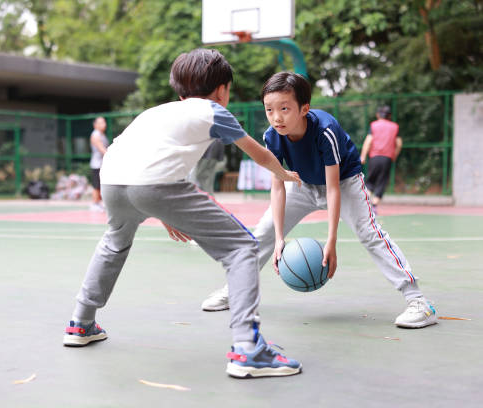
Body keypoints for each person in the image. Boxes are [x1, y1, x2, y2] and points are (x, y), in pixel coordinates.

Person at [63, 49, 304, 378]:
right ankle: (248, 349)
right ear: (222, 90)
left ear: (180, 92)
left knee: (114, 244)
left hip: (113, 181)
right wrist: (286, 174)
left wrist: (160, 210)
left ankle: (80, 322)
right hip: (152, 184)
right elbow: (259, 154)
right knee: (242, 247)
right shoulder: (214, 111)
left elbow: (143, 160)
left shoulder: (156, 112)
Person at [201, 72, 437, 330]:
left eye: (284, 108)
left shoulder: (325, 130)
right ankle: (235, 290)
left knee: (370, 233)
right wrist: (280, 237)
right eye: (269, 109)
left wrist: (331, 240)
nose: (276, 117)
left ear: (304, 108)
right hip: (301, 184)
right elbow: (277, 186)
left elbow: (333, 188)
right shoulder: (272, 136)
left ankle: (419, 302)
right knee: (264, 232)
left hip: (344, 183)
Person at [360, 106, 403, 209]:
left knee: (370, 181)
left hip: (374, 157)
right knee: (382, 181)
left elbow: (368, 141)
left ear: (378, 115)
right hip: (387, 158)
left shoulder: (374, 125)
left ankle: (365, 205)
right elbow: (399, 144)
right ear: (390, 116)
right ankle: (374, 205)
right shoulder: (394, 126)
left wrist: (363, 156)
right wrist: (394, 156)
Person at [89, 116, 109, 212]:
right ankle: (95, 204)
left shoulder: (102, 134)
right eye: (101, 123)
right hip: (97, 164)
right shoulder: (95, 135)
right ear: (95, 125)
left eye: (104, 122)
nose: (104, 124)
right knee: (96, 185)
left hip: (103, 164)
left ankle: (100, 202)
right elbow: (102, 149)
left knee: (102, 184)